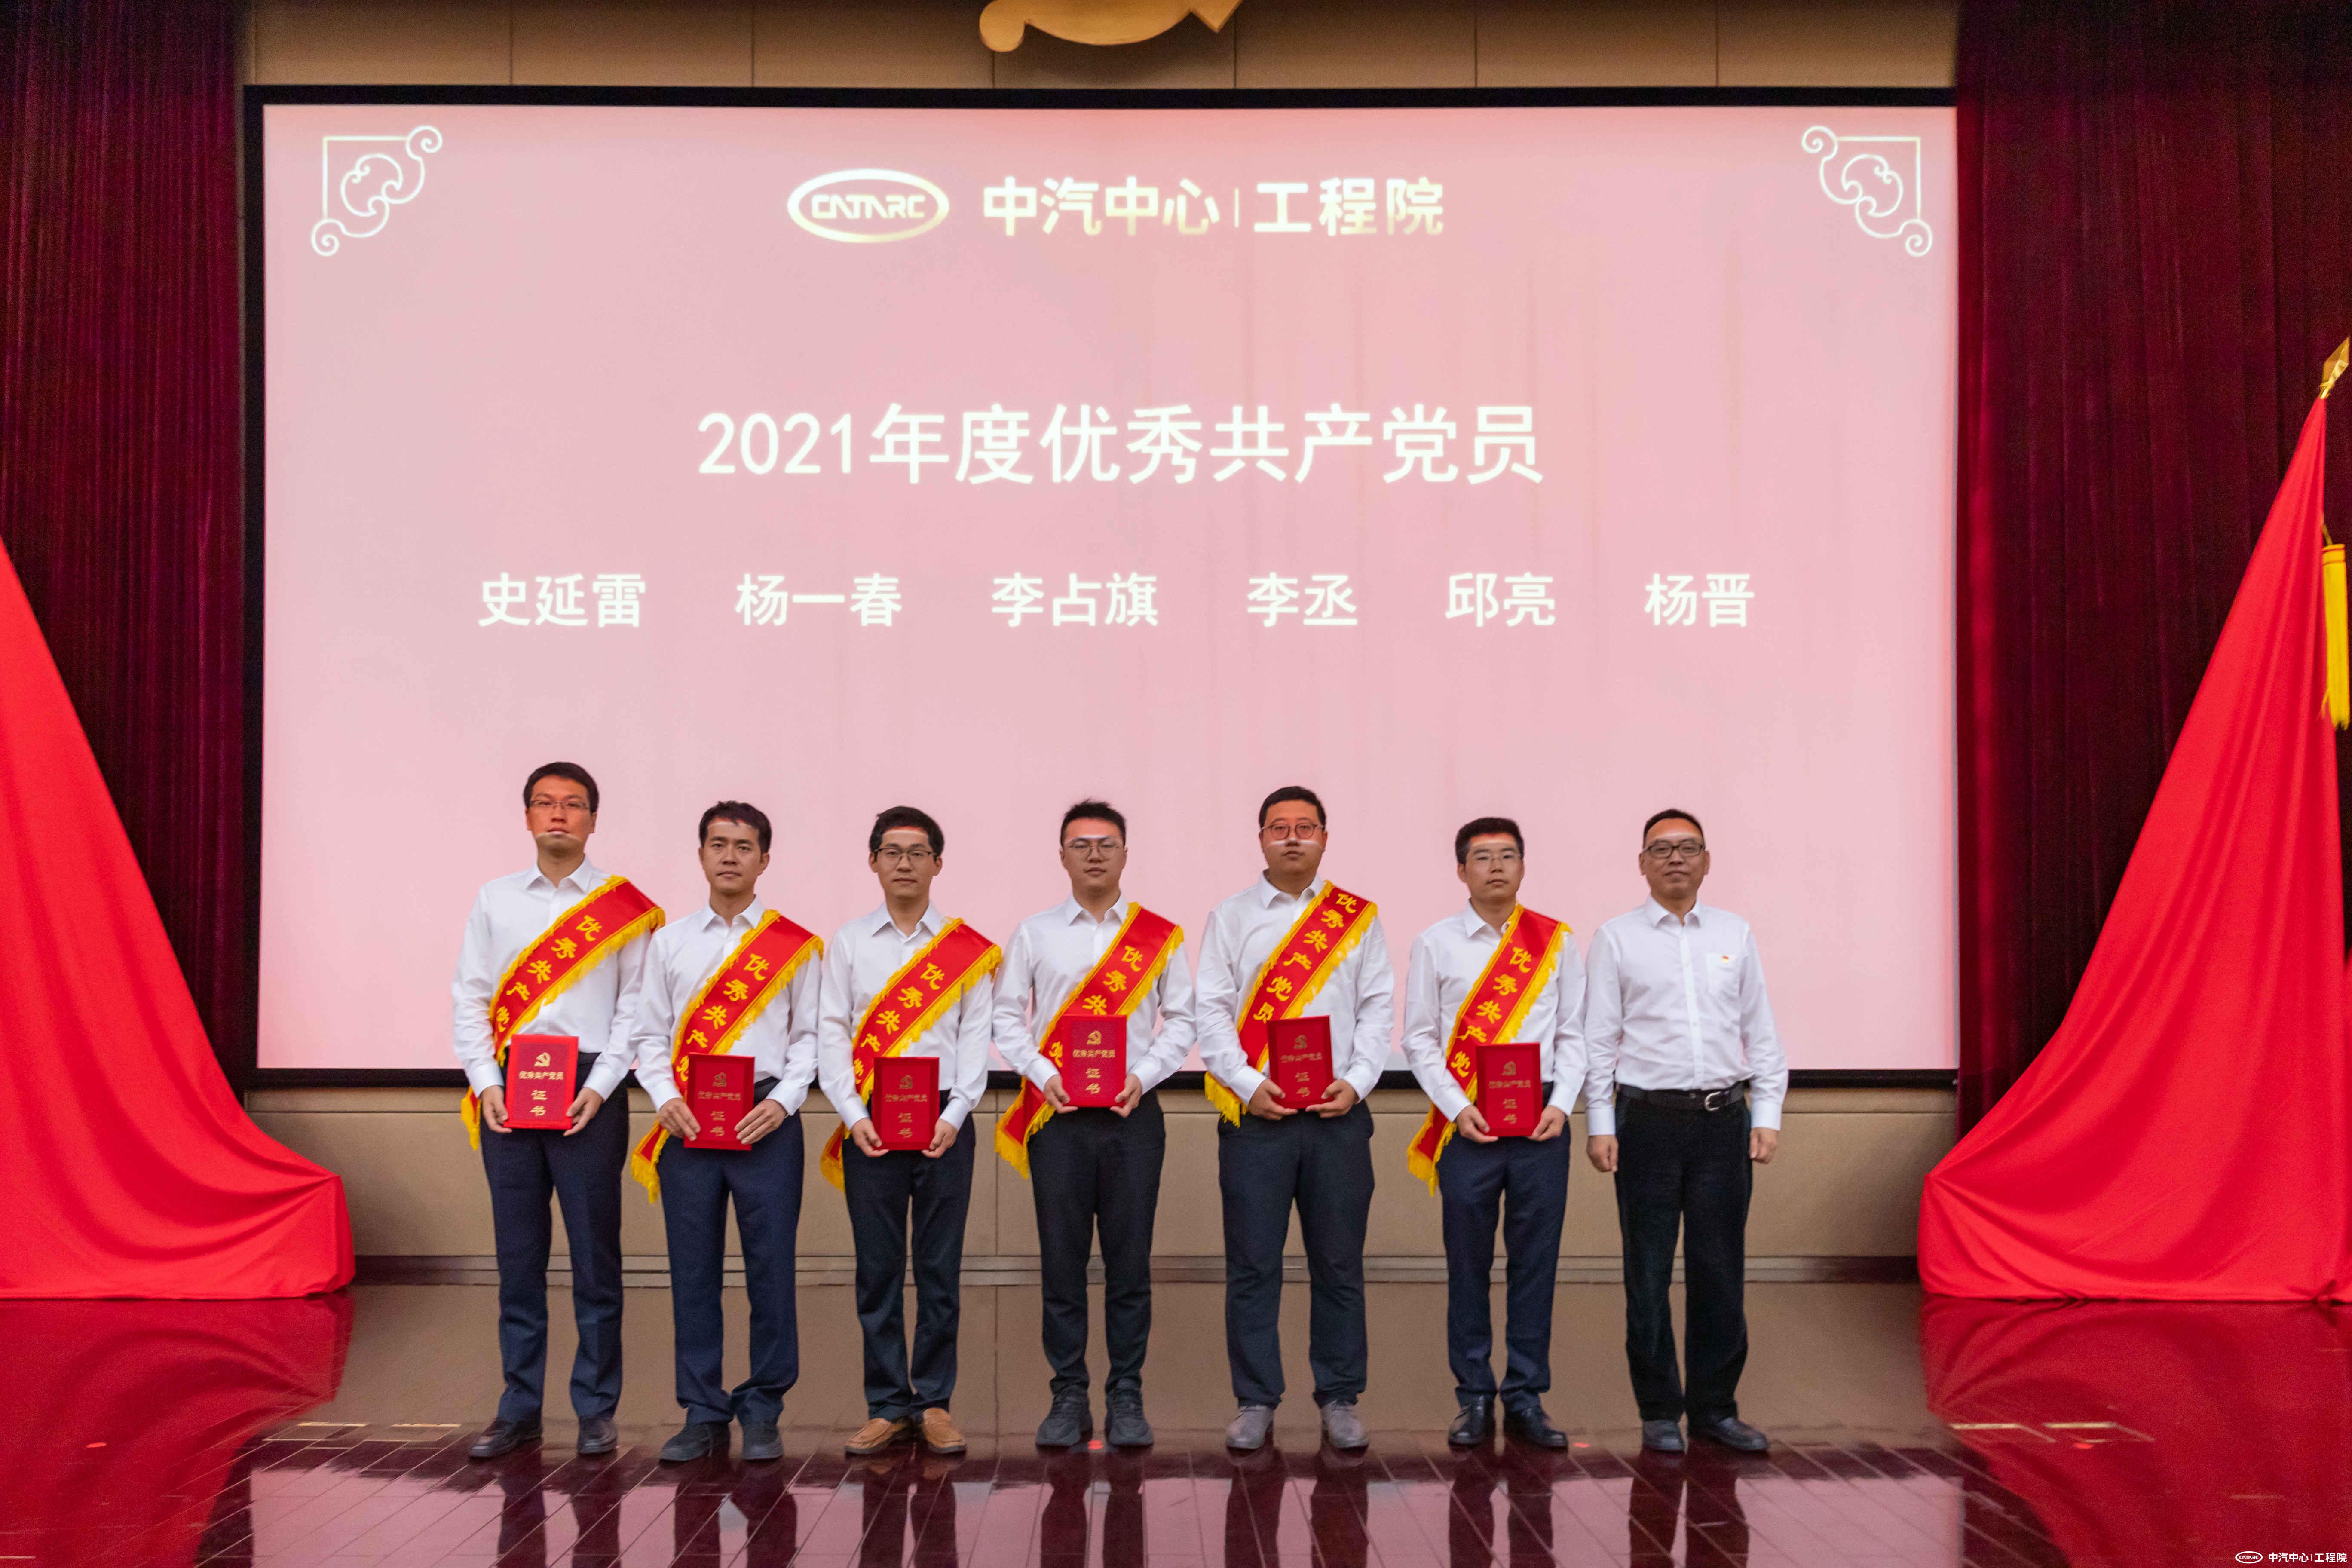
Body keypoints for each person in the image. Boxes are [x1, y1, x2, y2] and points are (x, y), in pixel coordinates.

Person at [450, 761, 662, 1461]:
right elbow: (471, 996)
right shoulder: (496, 899)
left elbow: (636, 1008)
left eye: (573, 805)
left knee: (596, 1257)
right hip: (510, 1089)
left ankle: (597, 1409)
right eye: (545, 803)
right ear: (528, 817)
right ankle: (519, 1408)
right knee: (519, 1258)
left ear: (593, 820)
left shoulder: (622, 906)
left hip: (589, 1090)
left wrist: (600, 1086)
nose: (559, 815)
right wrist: (486, 1082)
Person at [993, 800, 1196, 1449]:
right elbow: (1006, 1018)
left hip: (1132, 1116)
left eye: (1107, 843)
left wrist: (1146, 1074)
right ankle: (1068, 1395)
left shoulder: (1158, 935)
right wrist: (1041, 1072)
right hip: (1058, 1119)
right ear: (1062, 857)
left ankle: (1126, 1395)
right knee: (1063, 1264)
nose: (1095, 854)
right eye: (1080, 844)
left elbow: (1183, 1020)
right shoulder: (1034, 933)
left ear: (1126, 854)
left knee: (1129, 1265)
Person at [1195, 785, 1393, 1452]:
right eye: (1279, 827)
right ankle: (1255, 1399)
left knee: (1338, 1265)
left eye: (1305, 827)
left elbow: (1377, 1009)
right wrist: (1248, 1085)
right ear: (1261, 839)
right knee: (1254, 1266)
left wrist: (1357, 1082)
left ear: (1325, 839)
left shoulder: (1357, 919)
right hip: (1259, 1121)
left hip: (1338, 1118)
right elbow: (1212, 1012)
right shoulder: (1230, 917)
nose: (1292, 837)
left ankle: (1340, 1396)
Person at [1584, 808, 1787, 1454]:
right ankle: (1657, 1409)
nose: (1676, 858)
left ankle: (1715, 1408)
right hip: (1646, 1122)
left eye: (1688, 847)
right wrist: (1600, 1124)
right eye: (1661, 848)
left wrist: (1767, 1113)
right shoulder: (1616, 938)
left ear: (1707, 860)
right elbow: (1599, 1040)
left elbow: (1761, 1030)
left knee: (1719, 1269)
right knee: (1647, 1272)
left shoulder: (1735, 933)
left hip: (1723, 1123)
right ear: (1642, 863)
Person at [629, 801, 823, 1464]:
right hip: (688, 1119)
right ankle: (702, 1410)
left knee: (771, 1269)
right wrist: (664, 1098)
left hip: (767, 1118)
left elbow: (809, 1037)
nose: (730, 856)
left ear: (764, 859)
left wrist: (786, 1102)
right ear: (702, 855)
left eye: (744, 846)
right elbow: (650, 1035)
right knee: (693, 1270)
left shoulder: (795, 946)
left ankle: (764, 1408)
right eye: (719, 844)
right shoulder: (670, 942)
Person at [816, 806, 1000, 1458]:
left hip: (946, 1120)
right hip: (871, 1121)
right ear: (873, 862)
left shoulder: (965, 949)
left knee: (939, 1269)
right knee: (879, 1269)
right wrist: (853, 1115)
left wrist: (956, 1114)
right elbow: (832, 1031)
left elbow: (976, 1037)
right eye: (892, 852)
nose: (904, 864)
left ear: (937, 864)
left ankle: (935, 1402)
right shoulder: (848, 943)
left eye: (917, 853)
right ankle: (887, 1404)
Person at [1400, 817, 1586, 1449]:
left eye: (1508, 856)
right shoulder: (1435, 943)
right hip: (1468, 1122)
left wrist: (1562, 1104)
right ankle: (1474, 1395)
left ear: (1524, 866)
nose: (1497, 867)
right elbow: (1419, 1038)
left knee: (1536, 1263)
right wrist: (1456, 1108)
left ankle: (1527, 1395)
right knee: (1468, 1264)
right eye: (1482, 857)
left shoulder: (1555, 941)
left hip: (1542, 1122)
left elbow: (1574, 1033)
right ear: (1462, 871)